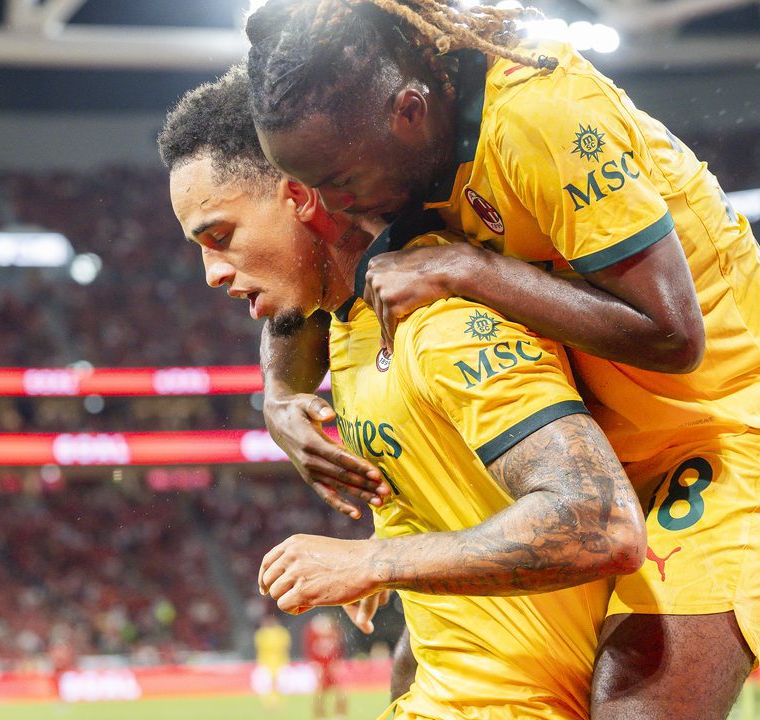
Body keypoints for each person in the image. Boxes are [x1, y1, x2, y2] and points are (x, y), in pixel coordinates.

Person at [244, 0, 760, 719]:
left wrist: (471, 271)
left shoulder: (539, 115)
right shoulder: (375, 146)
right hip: (604, 443)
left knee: (634, 706)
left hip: (735, 426)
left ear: (408, 109)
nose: (333, 206)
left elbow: (673, 332)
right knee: (419, 669)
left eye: (340, 183)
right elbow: (294, 260)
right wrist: (280, 393)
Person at [161, 67, 644, 719]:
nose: (213, 272)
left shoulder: (445, 326)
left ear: (297, 195)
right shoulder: (351, 329)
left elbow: (601, 522)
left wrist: (377, 563)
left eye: (220, 237)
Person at [304, 614, 347, 720]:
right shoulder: (313, 635)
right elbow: (309, 651)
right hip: (321, 668)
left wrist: (338, 662)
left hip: (331, 667)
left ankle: (340, 715)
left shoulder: (334, 634)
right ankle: (319, 716)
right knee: (319, 694)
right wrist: (314, 664)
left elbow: (339, 649)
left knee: (340, 693)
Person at [253, 615, 292, 709]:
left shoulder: (279, 632)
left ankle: (276, 703)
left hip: (278, 662)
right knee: (267, 684)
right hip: (266, 662)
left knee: (279, 684)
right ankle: (268, 703)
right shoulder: (263, 633)